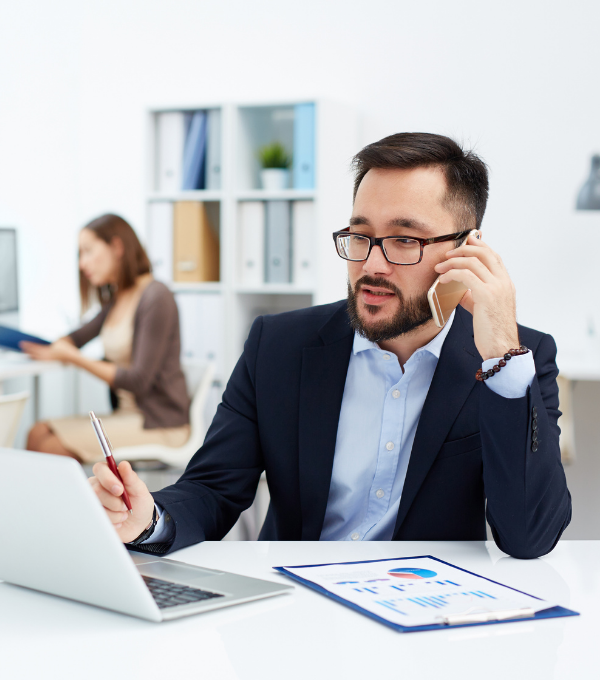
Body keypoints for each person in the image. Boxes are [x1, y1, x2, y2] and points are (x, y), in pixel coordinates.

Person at [90, 134, 571, 559]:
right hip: (293, 608)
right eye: (361, 235)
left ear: (466, 250)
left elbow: (529, 537)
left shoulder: (517, 357)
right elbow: (214, 488)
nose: (371, 265)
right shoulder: (278, 345)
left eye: (404, 240)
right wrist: (150, 520)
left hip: (425, 620)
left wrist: (501, 356)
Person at [24, 214, 190, 463]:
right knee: (36, 432)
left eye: (88, 251)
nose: (82, 264)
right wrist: (52, 348)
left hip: (158, 425)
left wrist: (74, 358)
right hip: (128, 417)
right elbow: (76, 337)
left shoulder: (156, 296)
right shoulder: (118, 299)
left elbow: (139, 380)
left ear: (117, 247)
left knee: (48, 446)